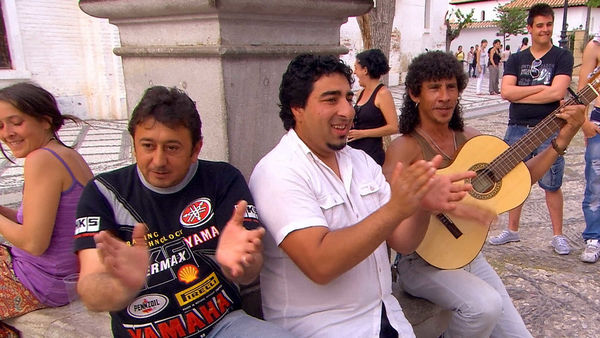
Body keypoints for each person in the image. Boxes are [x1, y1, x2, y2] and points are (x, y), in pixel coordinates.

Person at [249, 54, 475, 337]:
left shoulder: (361, 162)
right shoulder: (279, 171)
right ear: (297, 108)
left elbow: (402, 242)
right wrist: (395, 208)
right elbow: (321, 264)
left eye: (348, 97)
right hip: (320, 327)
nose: (347, 110)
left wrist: (421, 206)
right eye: (331, 100)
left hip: (385, 316)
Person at [384, 50, 584, 337]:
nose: (444, 96)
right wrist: (430, 201)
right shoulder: (404, 148)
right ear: (415, 94)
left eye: (451, 87)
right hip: (421, 262)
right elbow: (390, 213)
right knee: (483, 307)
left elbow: (520, 176)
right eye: (434, 88)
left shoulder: (470, 137)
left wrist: (560, 141)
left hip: (468, 254)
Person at [73, 86, 293, 337]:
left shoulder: (222, 179)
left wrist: (242, 263)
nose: (158, 161)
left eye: (172, 148)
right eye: (147, 146)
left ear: (195, 149)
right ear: (133, 145)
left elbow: (248, 271)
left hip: (223, 326)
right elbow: (91, 291)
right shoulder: (104, 193)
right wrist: (122, 285)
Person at [0, 83, 93, 331]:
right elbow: (40, 223)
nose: (7, 133)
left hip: (43, 281)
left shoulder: (41, 159)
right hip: (63, 275)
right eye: (0, 125)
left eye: (16, 122)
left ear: (45, 120)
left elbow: (33, 243)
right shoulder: (66, 154)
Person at [489, 3, 574, 255]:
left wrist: (522, 93)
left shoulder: (562, 57)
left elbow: (559, 92)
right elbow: (506, 92)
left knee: (552, 183)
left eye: (549, 25)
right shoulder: (516, 59)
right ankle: (512, 230)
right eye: (540, 26)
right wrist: (542, 89)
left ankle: (557, 235)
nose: (545, 30)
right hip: (516, 127)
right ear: (530, 28)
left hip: (549, 128)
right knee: (515, 180)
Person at [348, 48, 399, 165]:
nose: (354, 72)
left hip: (371, 155)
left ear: (365, 70)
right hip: (354, 153)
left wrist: (362, 133)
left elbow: (393, 127)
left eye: (356, 68)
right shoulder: (360, 93)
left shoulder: (383, 94)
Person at [577, 33, 600, 263]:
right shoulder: (595, 45)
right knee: (595, 181)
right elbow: (583, 87)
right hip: (599, 118)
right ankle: (593, 237)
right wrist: (584, 122)